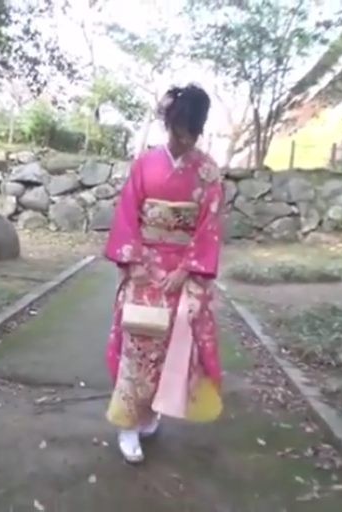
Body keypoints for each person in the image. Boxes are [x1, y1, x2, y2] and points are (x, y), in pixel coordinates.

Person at [103, 83, 225, 464]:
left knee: (172, 348)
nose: (183, 141)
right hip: (143, 269)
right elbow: (128, 214)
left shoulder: (208, 171)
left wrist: (187, 269)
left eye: (190, 134)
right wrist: (135, 262)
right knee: (137, 346)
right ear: (168, 125)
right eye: (177, 132)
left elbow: (209, 227)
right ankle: (126, 423)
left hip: (181, 274)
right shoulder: (145, 163)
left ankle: (150, 413)